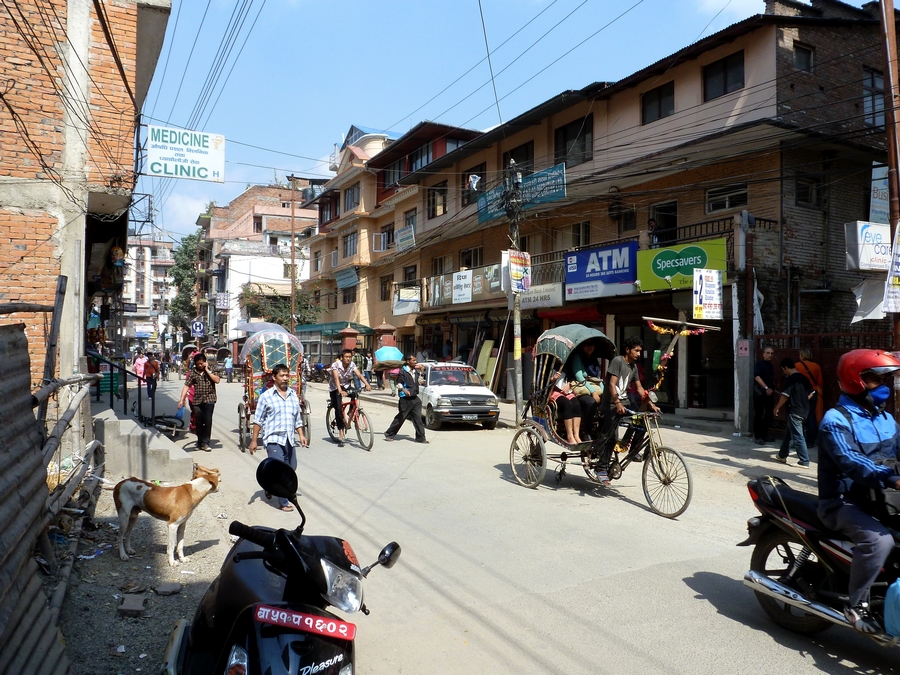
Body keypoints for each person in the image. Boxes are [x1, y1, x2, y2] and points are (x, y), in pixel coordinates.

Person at [817, 349, 900, 634]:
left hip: (880, 499)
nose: (883, 385)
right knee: (880, 542)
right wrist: (892, 478)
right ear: (856, 380)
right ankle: (857, 606)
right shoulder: (835, 420)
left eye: (884, 379)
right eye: (876, 379)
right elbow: (851, 461)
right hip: (843, 503)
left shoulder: (885, 418)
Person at [599, 336, 658, 484]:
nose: (639, 354)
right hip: (611, 405)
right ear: (627, 350)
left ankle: (632, 450)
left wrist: (651, 404)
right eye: (636, 350)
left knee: (641, 421)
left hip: (625, 403)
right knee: (611, 437)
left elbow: (639, 388)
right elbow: (612, 384)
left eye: (640, 351)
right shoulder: (617, 361)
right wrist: (617, 403)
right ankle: (601, 468)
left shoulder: (633, 367)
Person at [249, 363, 308, 511]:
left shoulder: (293, 395)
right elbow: (258, 420)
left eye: (287, 375)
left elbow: (297, 418)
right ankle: (283, 502)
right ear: (274, 378)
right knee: (281, 472)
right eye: (282, 375)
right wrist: (254, 440)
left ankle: (269, 486)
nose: (285, 378)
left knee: (292, 467)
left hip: (289, 439)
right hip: (273, 439)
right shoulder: (266, 397)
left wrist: (301, 435)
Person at [773, 357, 811, 468]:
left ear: (785, 368)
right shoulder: (804, 378)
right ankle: (782, 455)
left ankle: (804, 461)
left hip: (795, 410)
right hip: (805, 410)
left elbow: (785, 395)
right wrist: (803, 400)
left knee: (798, 436)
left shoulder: (790, 379)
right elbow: (811, 393)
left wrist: (777, 407)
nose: (783, 372)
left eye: (783, 369)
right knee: (789, 434)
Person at [329, 348, 371, 447]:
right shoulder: (335, 365)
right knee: (338, 409)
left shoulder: (352, 364)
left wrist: (367, 384)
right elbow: (336, 378)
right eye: (346, 357)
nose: (348, 359)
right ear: (342, 358)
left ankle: (351, 411)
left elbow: (359, 375)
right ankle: (341, 431)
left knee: (355, 393)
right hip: (335, 387)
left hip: (346, 385)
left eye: (349, 357)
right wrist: (340, 391)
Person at [178, 353, 220, 452]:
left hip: (210, 399)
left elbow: (217, 380)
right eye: (198, 364)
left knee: (208, 421)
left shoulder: (211, 370)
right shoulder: (193, 373)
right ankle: (200, 441)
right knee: (199, 422)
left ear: (205, 362)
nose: (200, 365)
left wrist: (207, 370)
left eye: (202, 363)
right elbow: (186, 386)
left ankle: (205, 443)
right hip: (197, 401)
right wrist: (181, 399)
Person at [384, 354, 428, 443]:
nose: (415, 362)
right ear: (408, 361)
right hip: (405, 399)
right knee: (401, 417)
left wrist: (422, 372)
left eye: (415, 360)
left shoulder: (415, 371)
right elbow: (399, 384)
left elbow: (419, 382)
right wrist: (404, 390)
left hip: (415, 398)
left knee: (418, 418)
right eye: (413, 360)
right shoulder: (402, 372)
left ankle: (421, 438)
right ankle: (389, 434)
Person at [568, 341, 603, 438]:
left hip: (594, 386)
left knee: (608, 402)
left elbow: (597, 378)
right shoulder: (577, 356)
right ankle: (587, 432)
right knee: (591, 402)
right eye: (586, 345)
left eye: (591, 345)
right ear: (582, 346)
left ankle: (601, 430)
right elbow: (579, 377)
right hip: (581, 388)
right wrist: (593, 392)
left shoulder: (593, 358)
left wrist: (604, 391)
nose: (589, 347)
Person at [796, 348, 824, 447]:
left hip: (801, 392)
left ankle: (800, 439)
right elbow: (820, 382)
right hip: (813, 391)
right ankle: (811, 441)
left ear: (802, 356)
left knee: (799, 416)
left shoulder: (797, 366)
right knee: (811, 416)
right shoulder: (816, 366)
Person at [550, 372, 582, 444]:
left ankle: (576, 435)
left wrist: (568, 384)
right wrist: (552, 379)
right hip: (552, 390)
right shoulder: (548, 367)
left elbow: (571, 377)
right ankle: (570, 436)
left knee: (576, 404)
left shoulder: (565, 367)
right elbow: (543, 381)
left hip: (566, 390)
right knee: (568, 404)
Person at [753, 346, 776, 445]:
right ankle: (758, 436)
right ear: (763, 354)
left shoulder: (770, 366)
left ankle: (764, 434)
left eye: (771, 353)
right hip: (760, 393)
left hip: (769, 394)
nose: (770, 355)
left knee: (769, 414)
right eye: (768, 353)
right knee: (759, 414)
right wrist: (766, 388)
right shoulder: (759, 364)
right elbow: (757, 377)